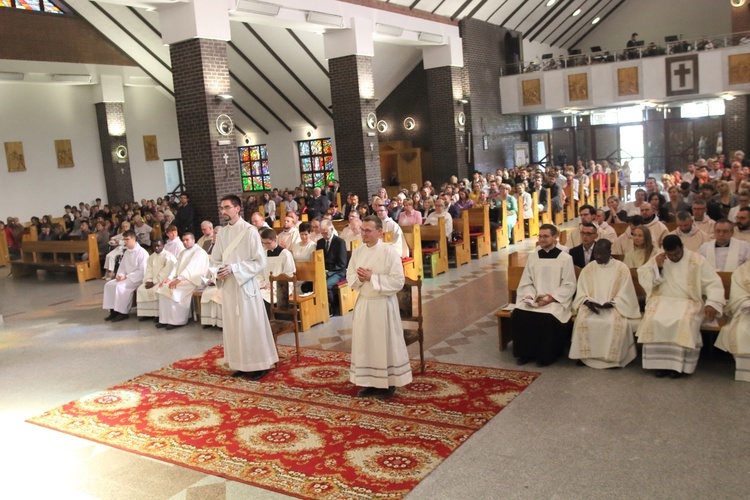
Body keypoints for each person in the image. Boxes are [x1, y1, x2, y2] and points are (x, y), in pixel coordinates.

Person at [636, 235, 725, 378]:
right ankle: (660, 365)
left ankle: (678, 367)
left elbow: (713, 283)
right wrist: (657, 267)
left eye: (676, 253)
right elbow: (643, 277)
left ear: (682, 246)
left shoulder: (697, 260)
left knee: (683, 321)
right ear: (664, 251)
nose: (674, 257)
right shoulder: (659, 259)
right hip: (663, 299)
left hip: (689, 301)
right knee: (653, 319)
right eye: (670, 254)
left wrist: (712, 303)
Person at [211, 195, 278, 380]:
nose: (223, 211)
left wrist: (234, 268)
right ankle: (240, 363)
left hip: (245, 285)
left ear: (237, 208)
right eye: (222, 207)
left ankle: (260, 364)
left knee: (250, 325)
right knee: (234, 327)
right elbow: (215, 259)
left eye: (227, 207)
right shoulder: (223, 233)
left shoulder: (250, 231)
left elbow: (259, 261)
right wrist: (218, 271)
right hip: (229, 287)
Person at [347, 215, 412, 399]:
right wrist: (358, 279)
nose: (364, 234)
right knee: (365, 344)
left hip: (383, 305)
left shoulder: (389, 252)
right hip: (365, 304)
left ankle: (387, 384)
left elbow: (398, 281)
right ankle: (368, 382)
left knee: (383, 345)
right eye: (362, 230)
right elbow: (350, 274)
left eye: (368, 230)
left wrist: (372, 278)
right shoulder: (358, 251)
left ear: (379, 232)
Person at [511, 224, 577, 367]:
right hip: (535, 299)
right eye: (540, 236)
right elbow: (526, 281)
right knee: (519, 313)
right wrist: (529, 296)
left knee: (547, 317)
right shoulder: (533, 257)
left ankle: (546, 356)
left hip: (555, 301)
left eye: (546, 236)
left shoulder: (565, 258)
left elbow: (569, 284)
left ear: (555, 237)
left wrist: (552, 298)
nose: (542, 239)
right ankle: (525, 354)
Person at [569, 240, 641, 368]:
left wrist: (613, 303)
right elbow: (581, 291)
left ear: (610, 252)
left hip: (615, 307)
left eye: (602, 253)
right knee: (583, 321)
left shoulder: (621, 268)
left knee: (612, 323)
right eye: (596, 253)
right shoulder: (589, 268)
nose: (598, 256)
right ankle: (585, 357)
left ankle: (612, 359)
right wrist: (586, 301)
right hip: (591, 306)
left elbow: (626, 292)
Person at [156, 232, 209, 330]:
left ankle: (177, 320)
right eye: (183, 240)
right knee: (164, 286)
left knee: (174, 289)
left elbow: (191, 268)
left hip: (193, 280)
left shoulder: (199, 252)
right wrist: (169, 278)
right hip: (182, 279)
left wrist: (178, 280)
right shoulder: (183, 252)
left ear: (193, 240)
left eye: (187, 240)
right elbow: (176, 267)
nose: (184, 242)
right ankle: (165, 319)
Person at [102, 230, 149, 322]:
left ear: (134, 239)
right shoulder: (127, 252)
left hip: (136, 279)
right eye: (124, 239)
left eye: (127, 239)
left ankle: (122, 312)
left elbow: (142, 271)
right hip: (126, 277)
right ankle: (113, 311)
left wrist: (127, 277)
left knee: (120, 287)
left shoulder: (142, 252)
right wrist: (121, 275)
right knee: (109, 285)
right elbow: (122, 267)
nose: (125, 241)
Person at [715, 261, 750, 382]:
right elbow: (738, 296)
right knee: (742, 331)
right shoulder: (743, 271)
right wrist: (747, 304)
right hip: (748, 313)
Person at [136, 239, 177, 321]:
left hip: (164, 280)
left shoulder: (169, 257)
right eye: (154, 246)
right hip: (152, 280)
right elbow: (148, 270)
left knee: (157, 289)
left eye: (158, 246)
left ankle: (157, 314)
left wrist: (154, 282)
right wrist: (149, 280)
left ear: (163, 245)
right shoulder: (151, 257)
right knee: (141, 289)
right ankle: (146, 314)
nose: (156, 248)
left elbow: (165, 273)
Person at [258, 228, 296, 316]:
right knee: (254, 296)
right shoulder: (264, 254)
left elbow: (289, 274)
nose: (265, 246)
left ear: (275, 240)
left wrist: (273, 285)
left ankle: (270, 322)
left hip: (281, 286)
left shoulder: (285, 254)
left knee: (263, 298)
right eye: (263, 243)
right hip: (266, 286)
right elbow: (260, 273)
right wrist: (262, 284)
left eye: (268, 243)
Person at [316, 219, 348, 316]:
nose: (324, 235)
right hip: (324, 271)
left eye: (325, 233)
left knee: (325, 285)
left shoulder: (340, 242)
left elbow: (342, 263)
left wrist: (328, 272)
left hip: (338, 272)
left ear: (332, 229)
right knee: (311, 284)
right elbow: (319, 260)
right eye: (322, 233)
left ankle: (332, 308)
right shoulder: (320, 242)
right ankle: (319, 307)